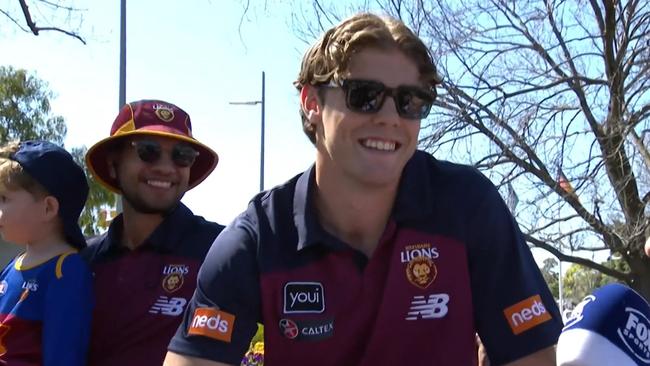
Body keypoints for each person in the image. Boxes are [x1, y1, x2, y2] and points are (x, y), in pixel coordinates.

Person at [165, 12, 562, 366]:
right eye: (364, 96)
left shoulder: (467, 206)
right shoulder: (259, 238)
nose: (390, 117)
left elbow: (533, 354)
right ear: (311, 102)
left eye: (410, 101)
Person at [82, 100, 224, 366]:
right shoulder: (82, 260)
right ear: (114, 164)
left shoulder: (221, 250)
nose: (166, 167)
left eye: (182, 155)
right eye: (148, 151)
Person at [0, 140, 92, 365]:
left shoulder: (66, 271)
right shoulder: (13, 266)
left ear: (48, 208)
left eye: (3, 199)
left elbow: (62, 357)